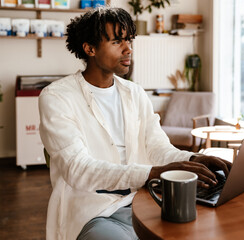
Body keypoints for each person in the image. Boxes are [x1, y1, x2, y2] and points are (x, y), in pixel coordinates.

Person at [39, 6, 232, 240]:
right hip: (94, 211)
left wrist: (193, 159)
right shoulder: (57, 97)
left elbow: (157, 148)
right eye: (117, 42)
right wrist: (154, 172)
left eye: (129, 40)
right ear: (89, 48)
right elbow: (78, 169)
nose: (128, 49)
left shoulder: (135, 93)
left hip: (144, 199)